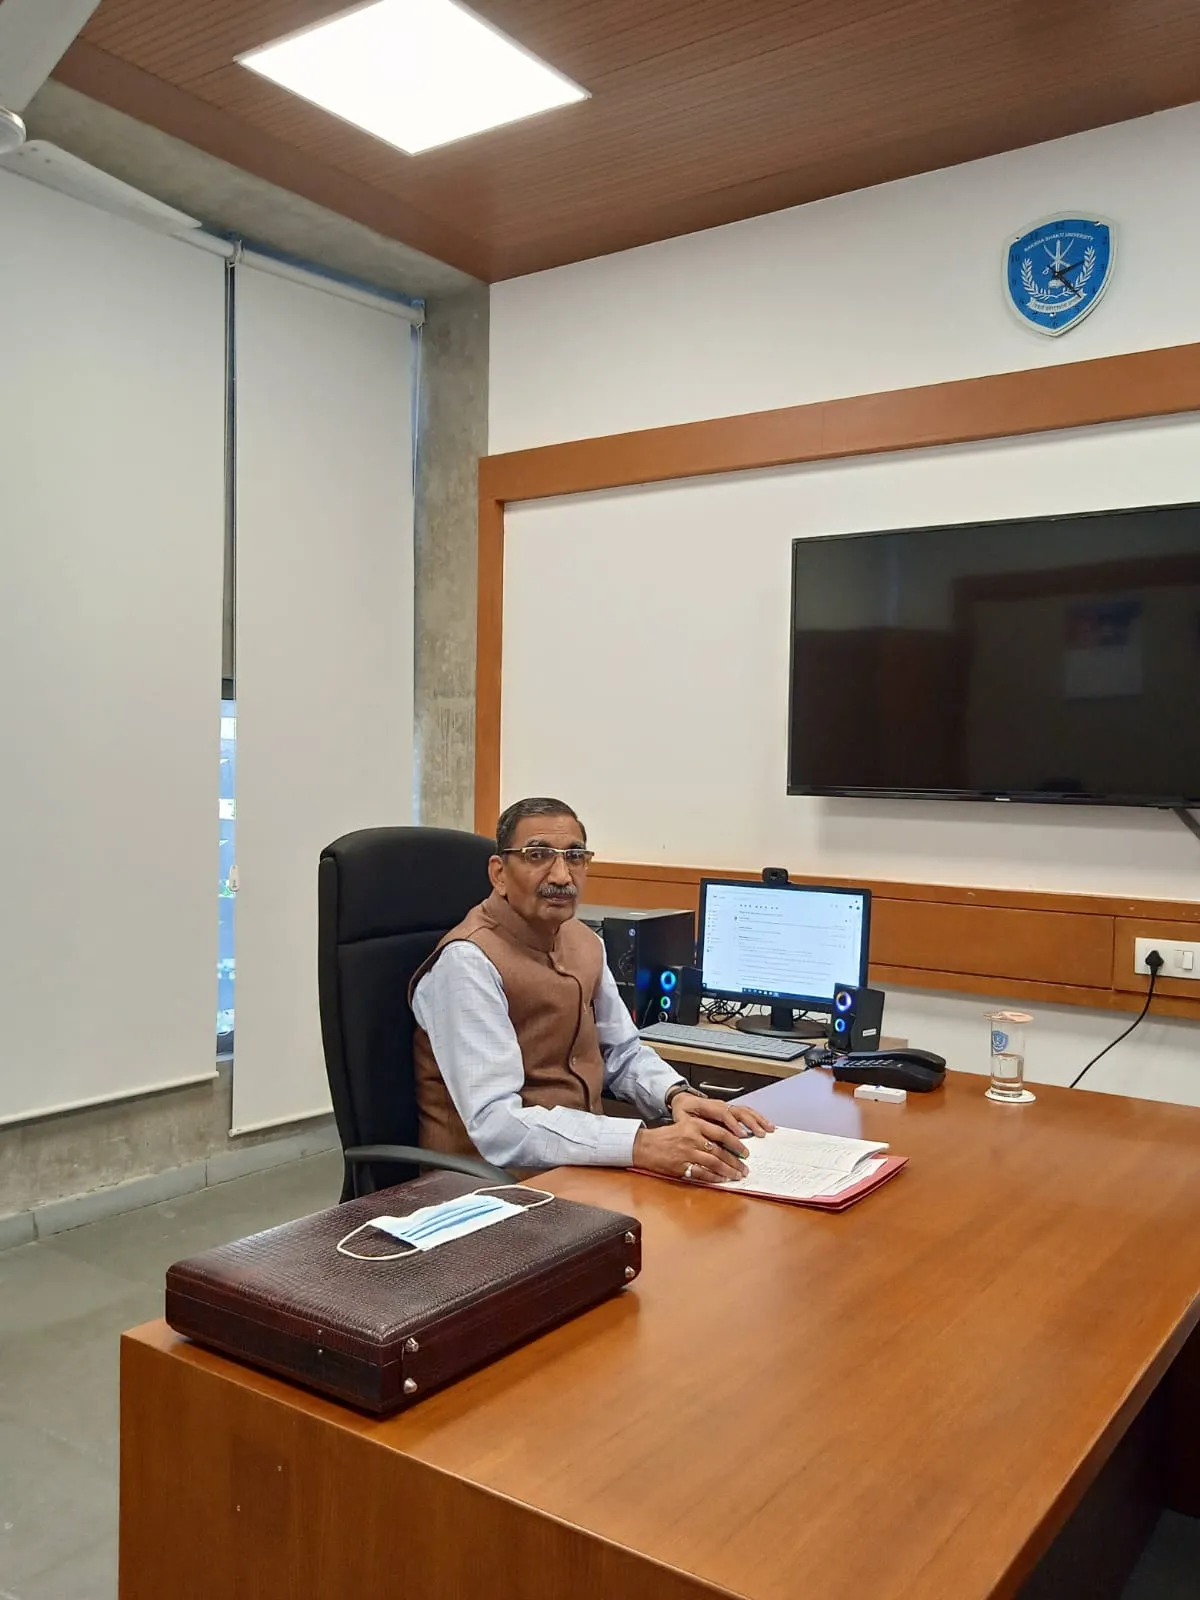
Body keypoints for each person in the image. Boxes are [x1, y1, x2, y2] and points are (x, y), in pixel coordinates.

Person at [410, 796, 773, 1179]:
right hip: (486, 1191)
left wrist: (675, 1095)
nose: (562, 876)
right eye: (538, 856)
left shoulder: (584, 942)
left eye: (575, 857)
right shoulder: (467, 963)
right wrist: (639, 1144)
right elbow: (496, 1125)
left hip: (579, 1168)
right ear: (499, 874)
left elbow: (621, 1052)